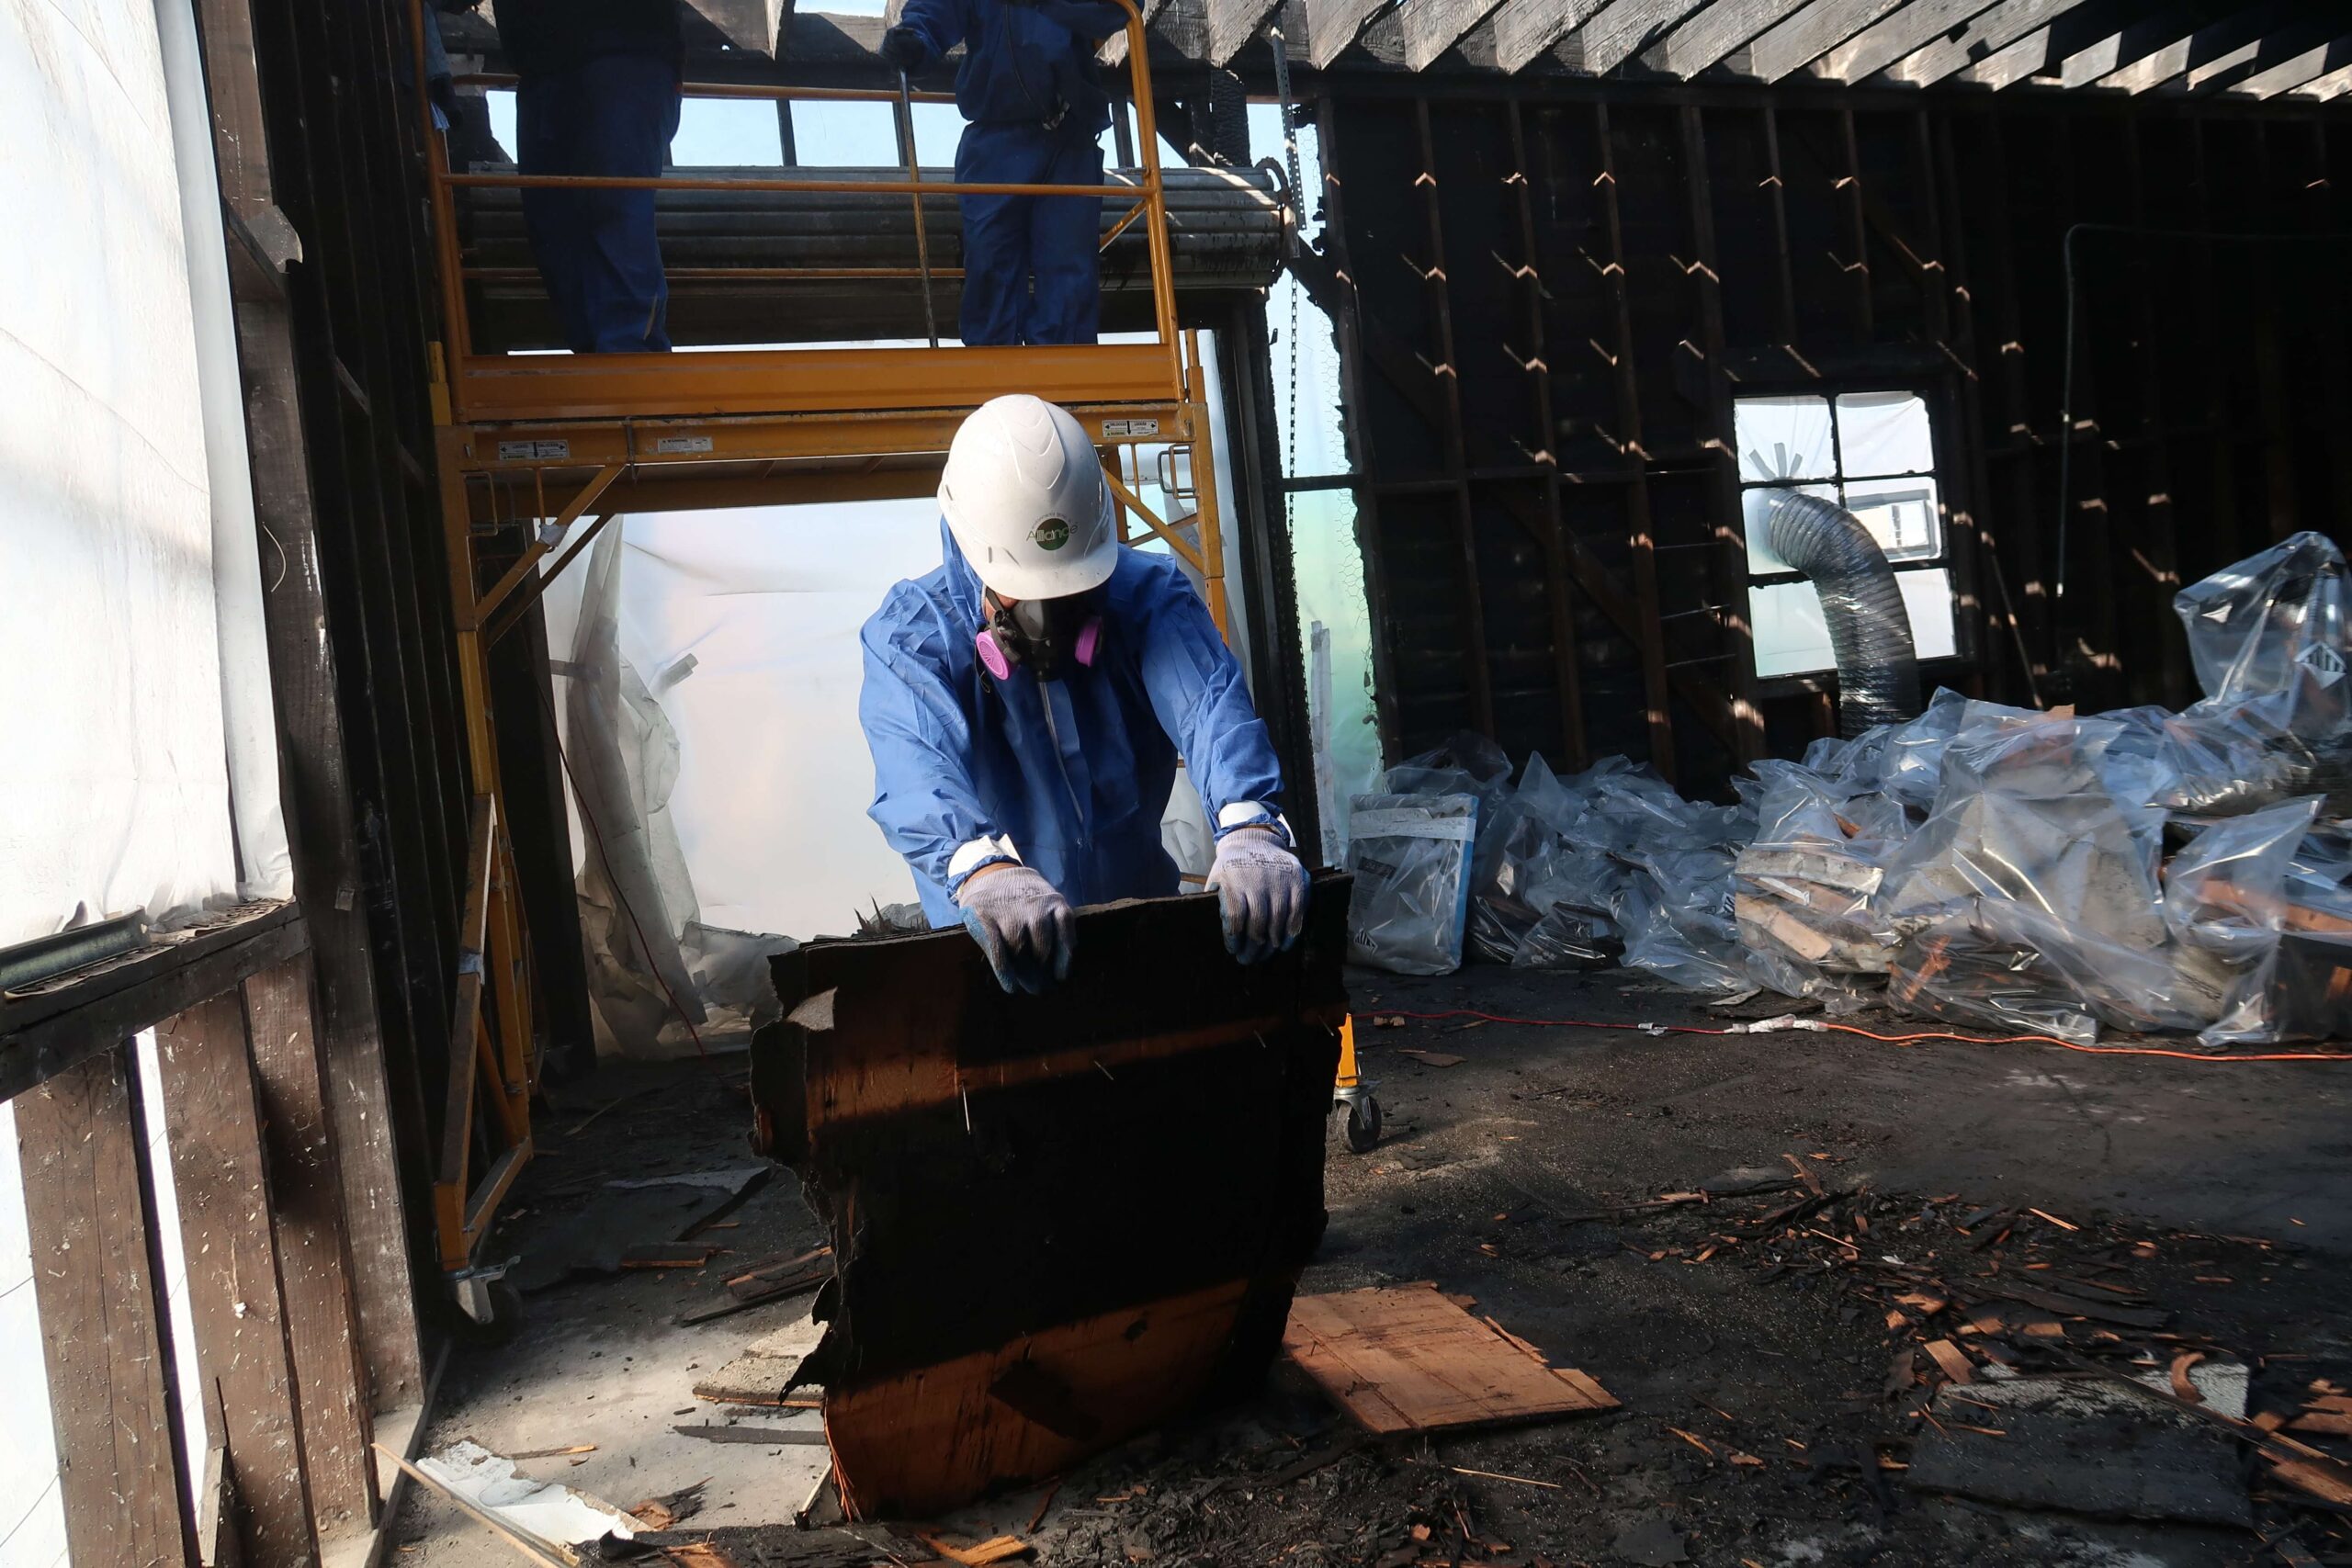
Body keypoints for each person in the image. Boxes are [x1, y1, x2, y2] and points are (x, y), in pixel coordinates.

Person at [860, 395, 1308, 992]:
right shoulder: (914, 638)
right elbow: (916, 770)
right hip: (995, 959)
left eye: (1073, 590)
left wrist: (1250, 822)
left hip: (1137, 936)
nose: (1052, 622)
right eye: (1025, 595)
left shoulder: (1146, 598)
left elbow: (1210, 709)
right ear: (973, 553)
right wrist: (980, 867)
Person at [879, 0, 1125, 346]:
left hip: (1068, 140)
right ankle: (995, 380)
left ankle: (1067, 384)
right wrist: (915, 39)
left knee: (1067, 273)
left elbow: (1119, 7)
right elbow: (937, 8)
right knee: (990, 264)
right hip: (996, 140)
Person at [493, 0, 684, 354]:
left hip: (626, 53)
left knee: (613, 208)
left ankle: (630, 361)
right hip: (543, 71)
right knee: (551, 227)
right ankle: (598, 358)